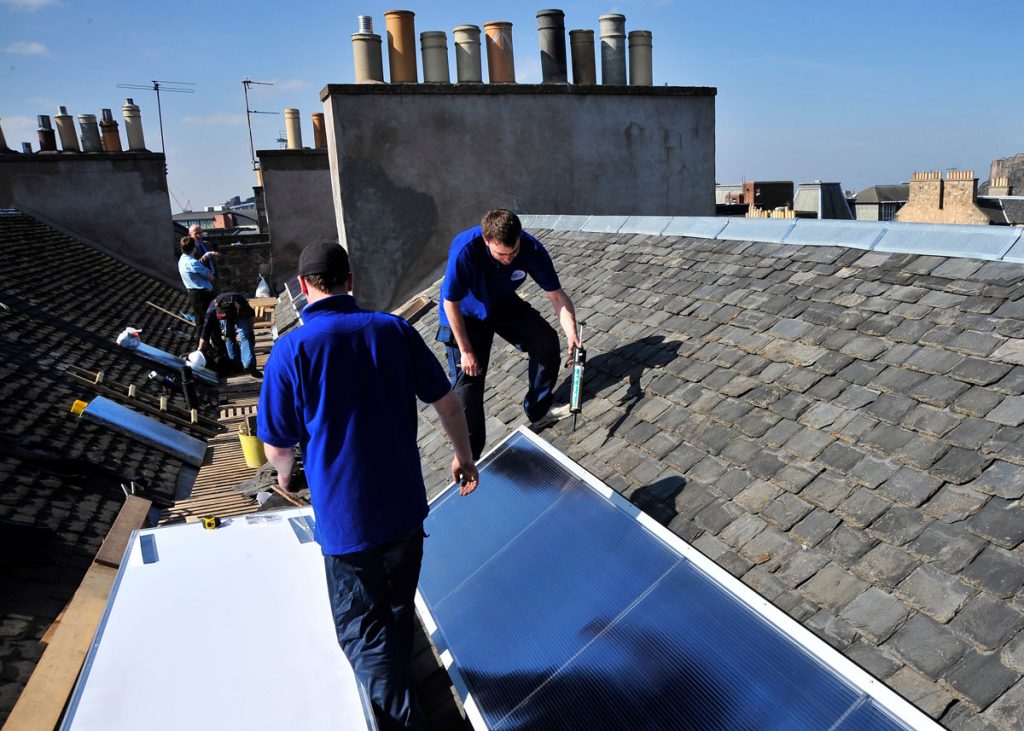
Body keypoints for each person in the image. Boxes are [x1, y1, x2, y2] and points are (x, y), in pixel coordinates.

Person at [257, 241, 478, 731]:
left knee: (362, 632)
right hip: (404, 515)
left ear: (302, 288)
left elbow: (277, 448)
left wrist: (284, 473)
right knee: (395, 616)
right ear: (350, 280)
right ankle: (401, 701)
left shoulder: (290, 351)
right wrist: (463, 458)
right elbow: (448, 403)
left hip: (347, 527)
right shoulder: (394, 331)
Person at [437, 208, 580, 459]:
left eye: (513, 251)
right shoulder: (465, 251)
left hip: (500, 301)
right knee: (468, 384)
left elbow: (557, 296)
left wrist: (572, 334)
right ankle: (470, 458)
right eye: (502, 254)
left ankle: (540, 408)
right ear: (486, 241)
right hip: (464, 314)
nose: (509, 259)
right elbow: (451, 304)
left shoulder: (530, 248)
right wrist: (466, 351)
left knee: (545, 340)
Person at [197, 292, 260, 376]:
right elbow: (205, 330)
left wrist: (250, 333)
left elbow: (251, 316)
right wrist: (199, 349)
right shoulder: (212, 310)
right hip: (225, 313)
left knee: (245, 336)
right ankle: (236, 365)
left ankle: (248, 365)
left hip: (239, 312)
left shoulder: (242, 304)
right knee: (229, 337)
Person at [177, 236, 219, 338]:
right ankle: (218, 349)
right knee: (211, 322)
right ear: (194, 248)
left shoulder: (182, 260)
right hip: (202, 295)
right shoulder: (193, 262)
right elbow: (210, 276)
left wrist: (207, 255)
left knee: (200, 323)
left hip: (193, 294)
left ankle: (201, 347)